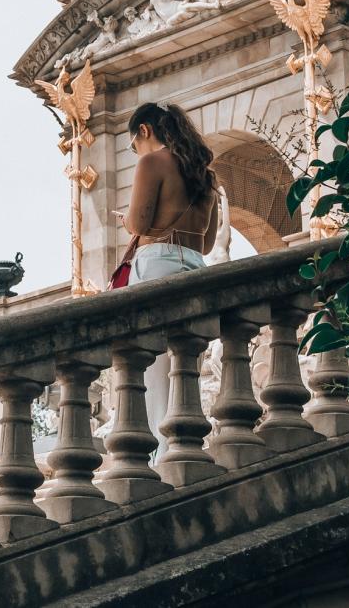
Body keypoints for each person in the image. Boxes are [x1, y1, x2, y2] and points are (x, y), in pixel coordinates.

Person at [120, 102, 219, 462]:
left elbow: (140, 224)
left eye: (133, 145)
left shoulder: (152, 162)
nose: (137, 153)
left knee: (153, 374)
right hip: (195, 266)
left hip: (158, 264)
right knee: (185, 371)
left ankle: (160, 461)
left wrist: (126, 222)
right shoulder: (206, 175)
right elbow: (207, 242)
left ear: (144, 131)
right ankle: (188, 449)